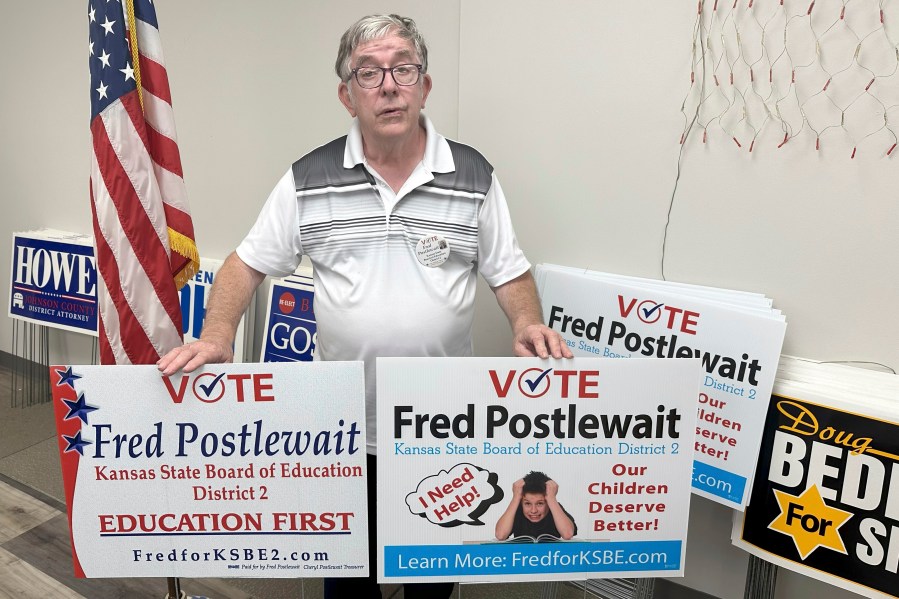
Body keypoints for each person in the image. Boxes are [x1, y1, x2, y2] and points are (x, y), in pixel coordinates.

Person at [158, 13, 572, 599]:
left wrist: (527, 321)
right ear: (346, 95)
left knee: (431, 586)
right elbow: (246, 263)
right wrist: (219, 332)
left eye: (403, 68)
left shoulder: (472, 174)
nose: (388, 84)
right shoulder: (310, 177)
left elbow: (508, 270)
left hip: (441, 433)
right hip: (344, 431)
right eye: (369, 72)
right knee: (350, 586)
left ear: (424, 84)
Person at [494, 471, 577, 541]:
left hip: (551, 556)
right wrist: (516, 497)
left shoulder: (554, 507)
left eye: (540, 503)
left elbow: (567, 534)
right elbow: (500, 535)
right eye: (527, 503)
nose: (533, 511)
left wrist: (552, 498)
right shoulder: (517, 508)